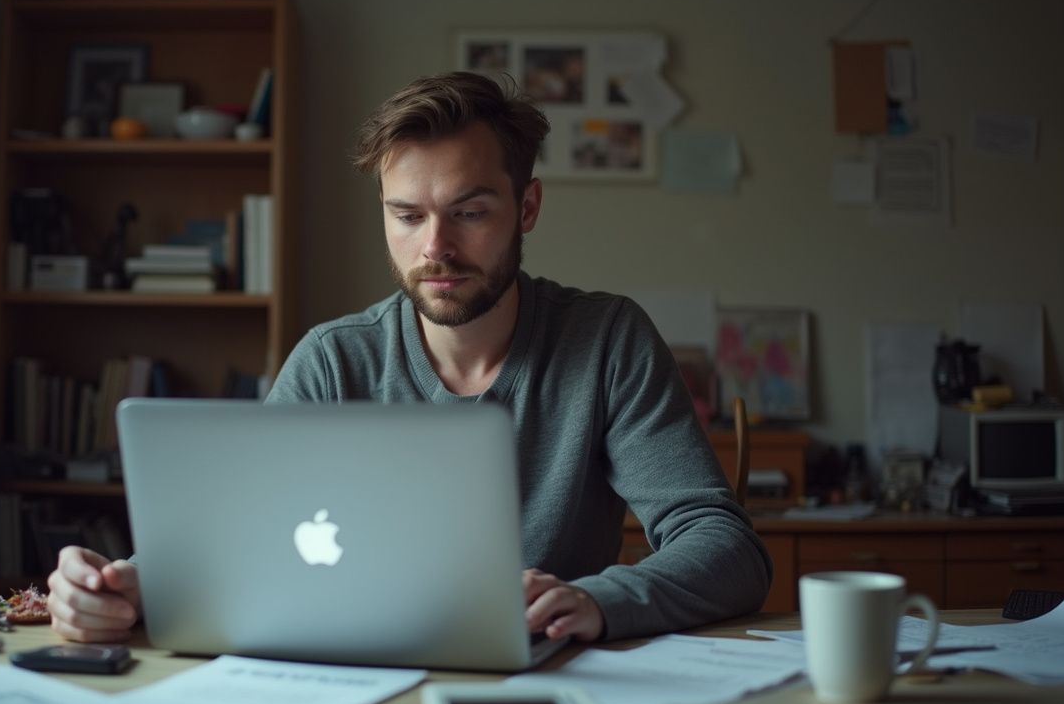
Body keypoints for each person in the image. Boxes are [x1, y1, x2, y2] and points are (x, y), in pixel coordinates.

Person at [47, 71, 772, 644]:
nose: (436, 249)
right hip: (359, 683)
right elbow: (237, 537)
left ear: (527, 209)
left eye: (470, 211)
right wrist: (127, 586)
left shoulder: (608, 341)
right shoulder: (333, 362)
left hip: (549, 680)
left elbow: (726, 547)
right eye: (407, 215)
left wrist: (596, 598)